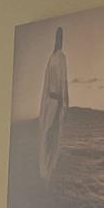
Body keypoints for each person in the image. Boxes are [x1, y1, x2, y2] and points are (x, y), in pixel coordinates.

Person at [38, 25, 69, 182]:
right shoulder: (56, 57)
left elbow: (61, 82)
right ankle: (46, 170)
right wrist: (64, 103)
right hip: (54, 103)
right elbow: (62, 82)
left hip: (54, 102)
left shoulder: (55, 58)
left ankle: (47, 170)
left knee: (50, 134)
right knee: (50, 134)